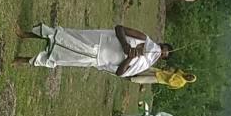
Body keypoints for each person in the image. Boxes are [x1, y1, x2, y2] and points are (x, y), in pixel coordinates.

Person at [13, 23, 172, 74]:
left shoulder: (143, 64)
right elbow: (119, 28)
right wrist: (125, 45)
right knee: (62, 35)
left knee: (61, 58)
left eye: (161, 54)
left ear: (160, 58)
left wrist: (130, 58)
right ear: (159, 43)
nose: (157, 51)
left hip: (97, 58)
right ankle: (26, 34)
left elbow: (120, 73)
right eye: (160, 48)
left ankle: (24, 60)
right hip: (97, 39)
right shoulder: (143, 38)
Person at [130, 67, 197, 90]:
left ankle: (130, 79)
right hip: (160, 72)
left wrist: (173, 75)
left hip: (159, 79)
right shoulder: (182, 73)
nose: (188, 77)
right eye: (190, 75)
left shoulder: (181, 83)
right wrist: (170, 69)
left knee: (142, 79)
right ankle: (130, 70)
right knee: (144, 70)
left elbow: (170, 82)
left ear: (189, 81)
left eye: (190, 78)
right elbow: (176, 70)